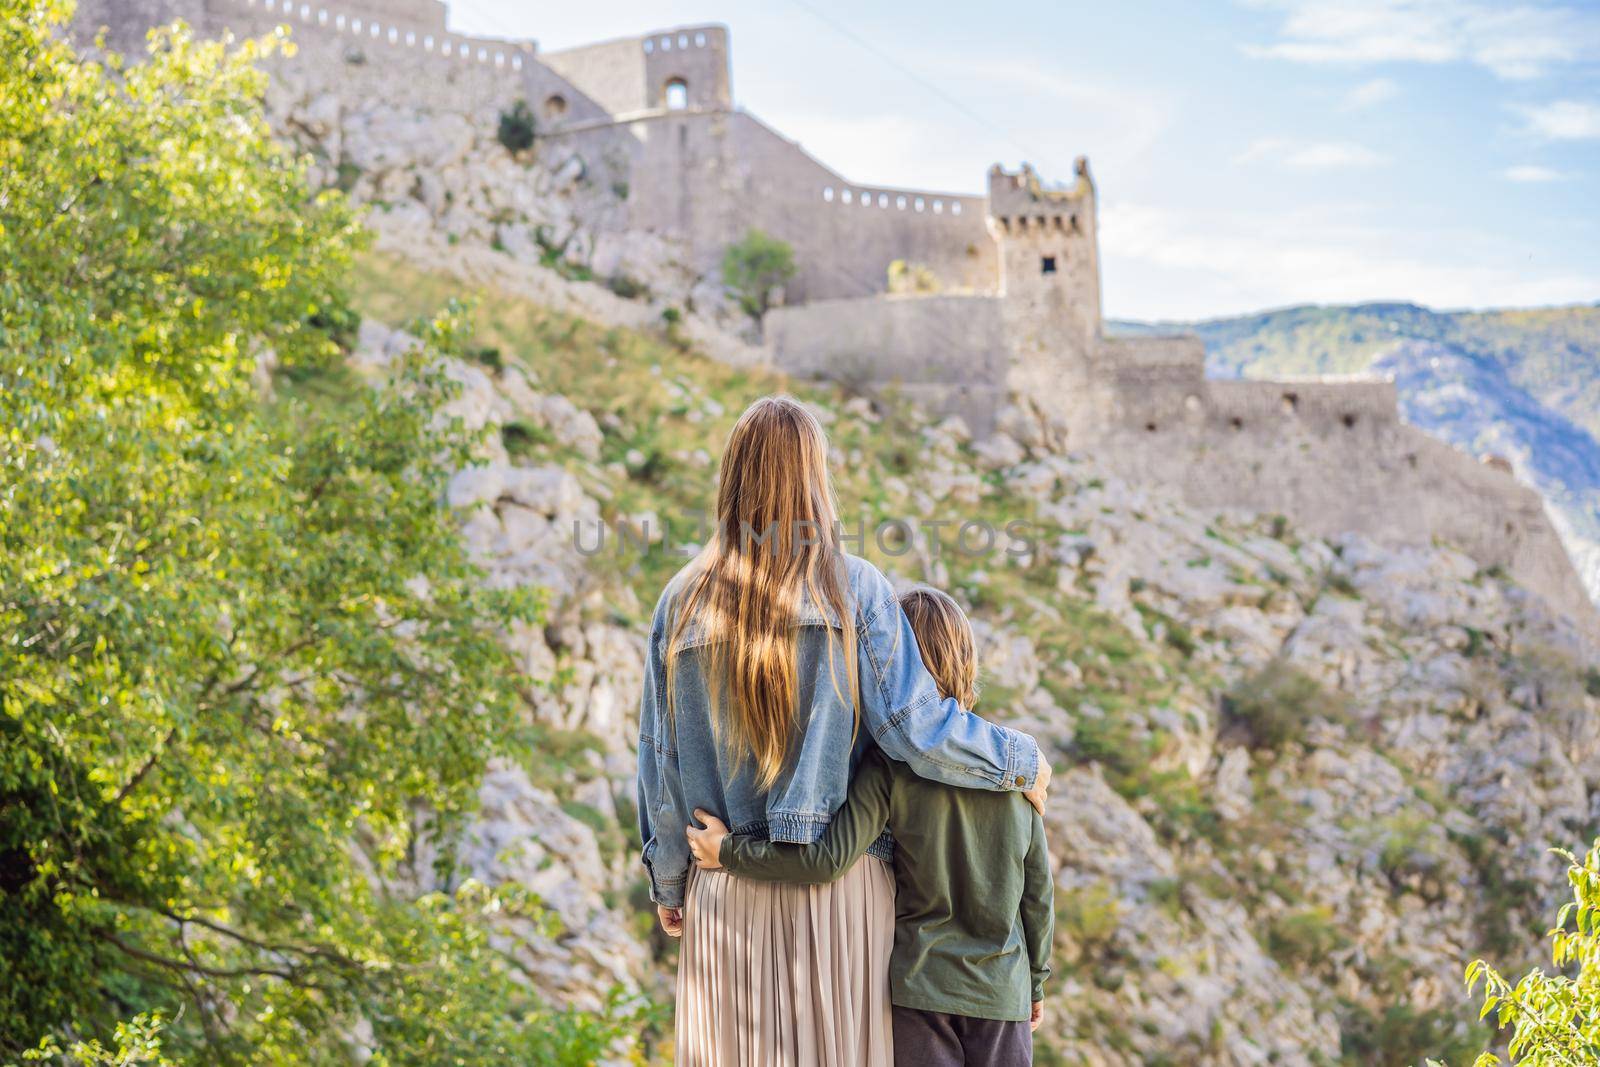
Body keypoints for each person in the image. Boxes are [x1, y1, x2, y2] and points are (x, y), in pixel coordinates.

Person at [636, 396, 1050, 1065]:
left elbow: (661, 762)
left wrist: (671, 881)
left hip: (724, 893)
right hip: (839, 899)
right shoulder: (855, 587)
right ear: (816, 480)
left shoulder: (680, 601)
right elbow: (918, 731)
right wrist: (1020, 760)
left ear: (732, 478)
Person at [687, 585, 1053, 1067]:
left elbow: (825, 861)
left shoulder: (889, 769)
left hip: (922, 992)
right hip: (1003, 993)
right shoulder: (1012, 771)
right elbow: (1038, 896)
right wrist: (1036, 981)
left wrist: (727, 852)